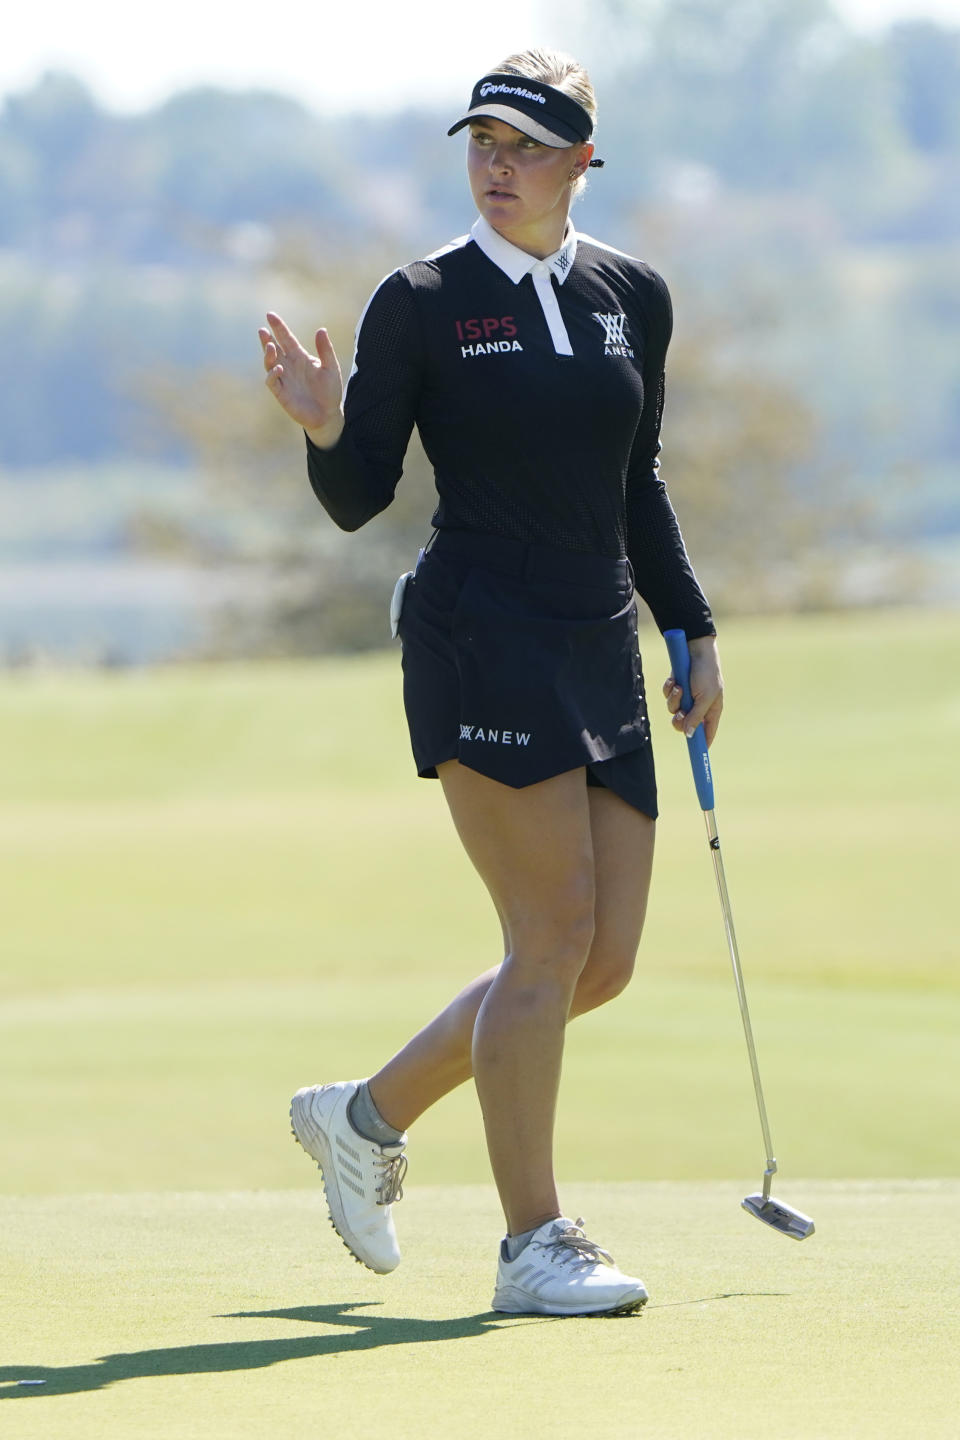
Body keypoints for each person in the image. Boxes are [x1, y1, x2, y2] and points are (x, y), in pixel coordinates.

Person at [259, 48, 723, 1318]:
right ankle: (535, 1243)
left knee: (599, 960)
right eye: (481, 144)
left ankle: (361, 1118)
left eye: (524, 146)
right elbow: (361, 497)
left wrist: (692, 628)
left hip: (597, 636)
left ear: (584, 161)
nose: (497, 167)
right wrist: (321, 428)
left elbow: (641, 482)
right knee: (549, 937)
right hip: (480, 630)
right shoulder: (421, 298)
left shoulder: (635, 292)